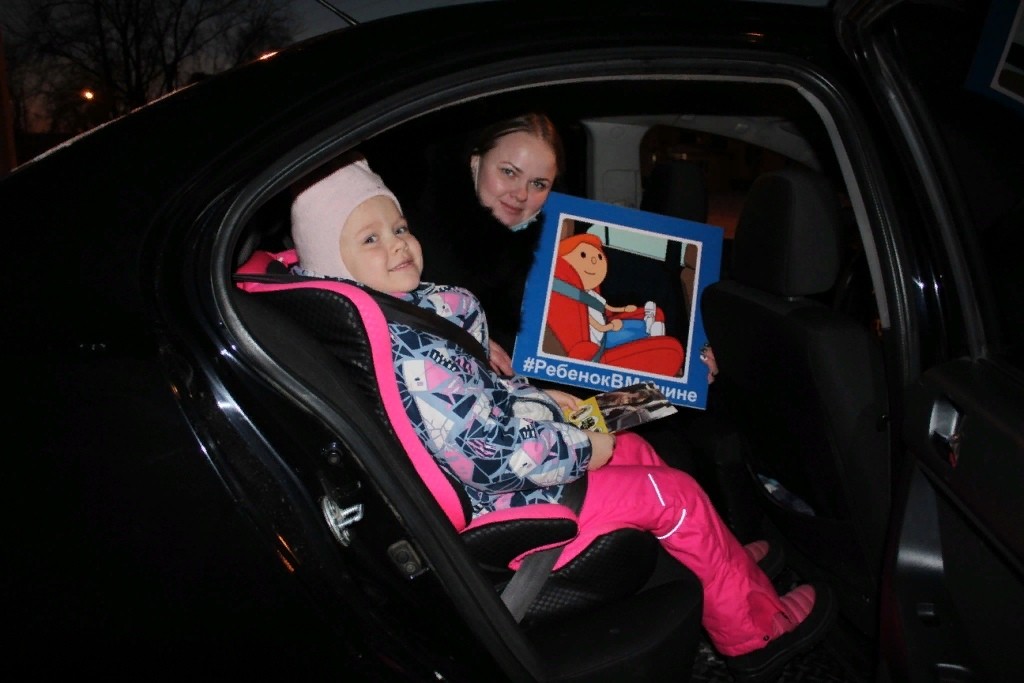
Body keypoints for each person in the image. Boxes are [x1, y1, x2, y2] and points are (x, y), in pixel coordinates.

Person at [288, 157, 836, 681]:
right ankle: (755, 636)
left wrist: (548, 400)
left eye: (399, 227)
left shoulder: (410, 315)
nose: (397, 243)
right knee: (676, 494)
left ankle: (726, 566)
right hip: (510, 500)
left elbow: (484, 401)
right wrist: (580, 446)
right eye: (370, 239)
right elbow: (492, 456)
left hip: (521, 460)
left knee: (639, 450)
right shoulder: (411, 351)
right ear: (332, 265)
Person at [405, 112, 564, 376]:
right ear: (475, 161)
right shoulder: (414, 238)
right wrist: (461, 336)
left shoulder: (561, 255)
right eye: (508, 172)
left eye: (538, 184)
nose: (521, 194)